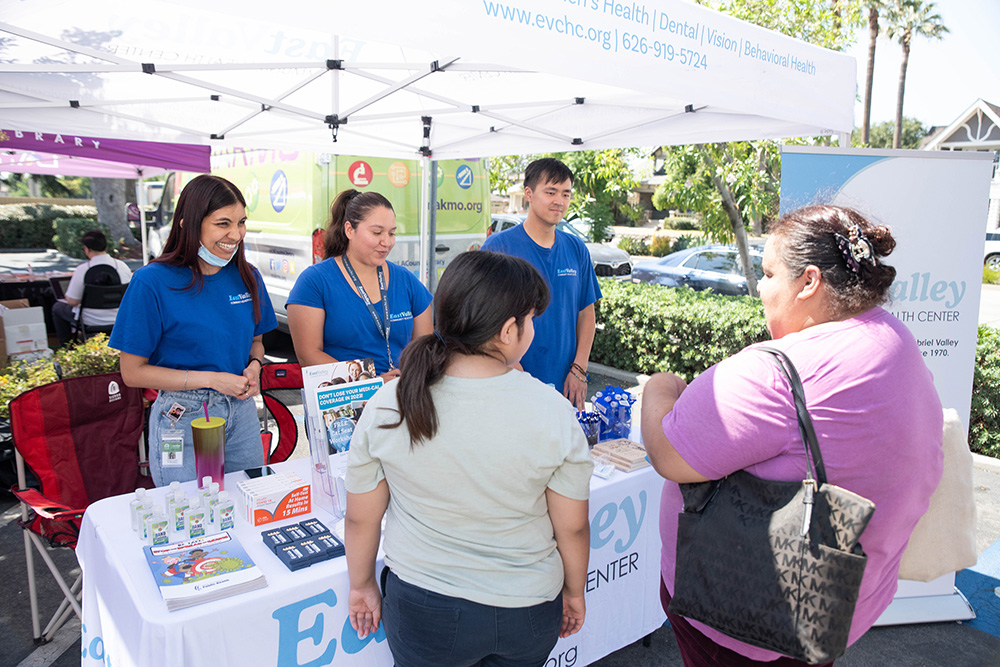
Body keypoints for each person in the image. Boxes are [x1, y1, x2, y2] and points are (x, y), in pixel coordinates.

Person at [641, 205, 944, 666]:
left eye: (768, 273)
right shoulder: (892, 336)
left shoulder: (774, 375)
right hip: (831, 605)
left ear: (808, 282)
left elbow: (668, 454)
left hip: (748, 620)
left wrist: (660, 387)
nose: (759, 288)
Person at [345, 251, 593, 666]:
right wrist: (574, 591)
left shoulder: (390, 401)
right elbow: (573, 528)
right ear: (509, 330)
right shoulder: (552, 410)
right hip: (527, 608)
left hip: (423, 608)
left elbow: (360, 519)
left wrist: (362, 584)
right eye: (531, 319)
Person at [110, 174, 277, 487]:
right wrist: (211, 380)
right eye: (222, 223)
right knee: (189, 510)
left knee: (249, 498)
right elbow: (132, 372)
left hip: (241, 410)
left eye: (241, 222)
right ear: (189, 224)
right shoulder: (151, 282)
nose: (235, 234)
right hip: (182, 414)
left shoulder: (248, 276)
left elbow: (256, 341)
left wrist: (254, 366)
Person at [482, 157, 600, 410]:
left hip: (566, 384)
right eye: (551, 192)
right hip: (510, 382)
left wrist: (579, 369)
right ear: (529, 194)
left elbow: (586, 313)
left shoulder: (576, 248)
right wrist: (518, 375)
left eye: (566, 194)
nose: (559, 201)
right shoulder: (499, 247)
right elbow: (483, 320)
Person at [286, 190, 432, 382]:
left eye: (391, 233)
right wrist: (373, 383)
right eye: (377, 233)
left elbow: (425, 347)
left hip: (400, 392)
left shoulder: (406, 280)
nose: (386, 242)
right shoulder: (314, 281)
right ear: (349, 230)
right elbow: (308, 355)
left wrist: (407, 379)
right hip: (343, 396)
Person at [51, 229, 132, 346]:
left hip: (90, 320)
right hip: (119, 318)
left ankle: (67, 346)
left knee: (57, 307)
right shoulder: (122, 266)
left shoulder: (82, 269)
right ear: (105, 246)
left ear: (86, 249)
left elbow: (73, 301)